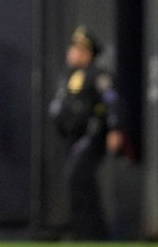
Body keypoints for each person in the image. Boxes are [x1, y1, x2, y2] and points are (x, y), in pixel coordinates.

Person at [49, 26, 124, 240]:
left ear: (87, 53)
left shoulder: (98, 75)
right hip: (72, 138)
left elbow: (112, 102)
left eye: (76, 49)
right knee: (77, 183)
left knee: (79, 179)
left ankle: (95, 234)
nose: (71, 53)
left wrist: (115, 129)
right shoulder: (70, 75)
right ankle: (83, 234)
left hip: (91, 137)